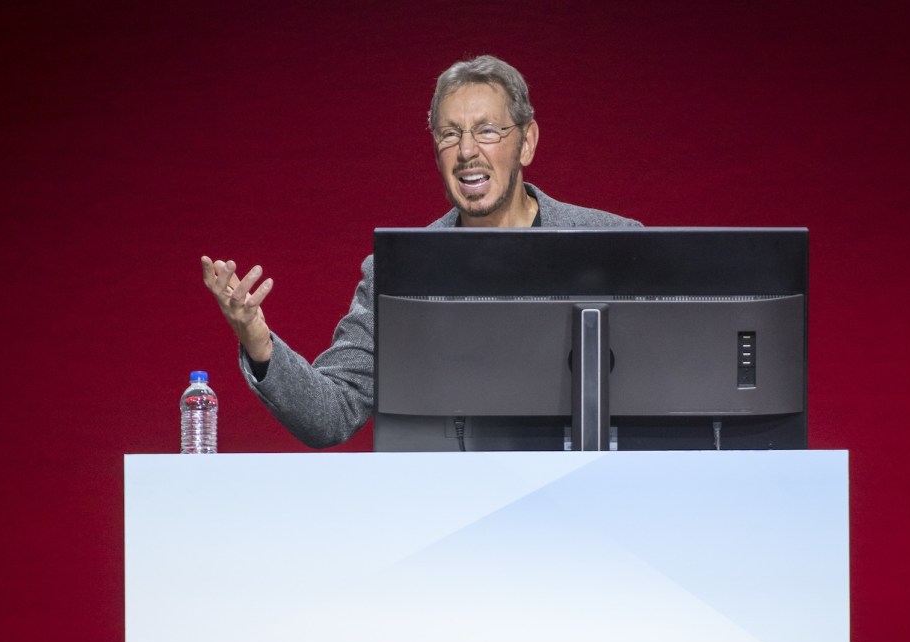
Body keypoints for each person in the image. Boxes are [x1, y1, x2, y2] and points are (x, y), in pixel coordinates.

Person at [202, 55, 640, 448]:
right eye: (449, 134)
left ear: (526, 142)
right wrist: (259, 342)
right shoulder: (400, 270)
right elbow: (331, 414)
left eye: (487, 131)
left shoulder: (615, 244)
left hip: (586, 497)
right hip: (451, 503)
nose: (466, 151)